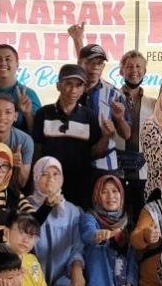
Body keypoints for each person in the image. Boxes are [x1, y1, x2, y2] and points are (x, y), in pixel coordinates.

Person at [26, 157, 90, 286]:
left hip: (62, 280)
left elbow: (78, 245)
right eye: (45, 174)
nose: (51, 179)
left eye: (56, 174)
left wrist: (77, 268)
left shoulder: (73, 211)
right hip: (31, 282)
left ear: (62, 179)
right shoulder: (26, 207)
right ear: (36, 177)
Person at [31, 64, 108, 206]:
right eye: (68, 84)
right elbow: (37, 151)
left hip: (80, 185)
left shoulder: (89, 116)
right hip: (50, 183)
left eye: (79, 85)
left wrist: (107, 136)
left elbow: (97, 152)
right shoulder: (43, 113)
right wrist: (36, 183)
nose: (73, 90)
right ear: (58, 86)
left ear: (84, 89)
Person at [68, 24, 131, 181]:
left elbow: (126, 134)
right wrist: (77, 40)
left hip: (105, 167)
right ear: (81, 63)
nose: (95, 67)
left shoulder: (114, 94)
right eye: (90, 62)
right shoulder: (70, 90)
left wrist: (120, 118)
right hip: (74, 164)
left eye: (99, 63)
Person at [80, 175, 139, 286]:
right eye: (104, 192)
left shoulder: (127, 220)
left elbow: (133, 256)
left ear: (121, 195)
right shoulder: (90, 217)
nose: (111, 196)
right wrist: (99, 235)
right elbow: (87, 234)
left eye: (115, 191)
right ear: (97, 196)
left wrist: (130, 284)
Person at [116, 50, 158, 220]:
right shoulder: (111, 96)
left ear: (145, 71)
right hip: (117, 169)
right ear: (121, 71)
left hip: (144, 171)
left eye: (138, 66)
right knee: (117, 217)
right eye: (129, 66)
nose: (134, 70)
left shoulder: (153, 103)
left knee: (142, 218)